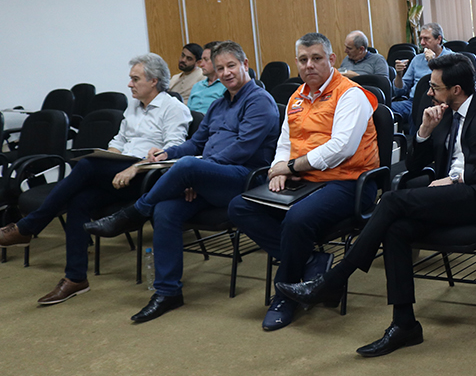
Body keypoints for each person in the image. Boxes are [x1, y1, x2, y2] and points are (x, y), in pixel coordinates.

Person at [274, 53, 476, 357]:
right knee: (397, 229)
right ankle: (404, 324)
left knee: (390, 201)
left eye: (435, 87)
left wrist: (458, 178)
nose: (429, 93)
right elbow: (415, 166)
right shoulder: (442, 113)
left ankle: (333, 280)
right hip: (447, 199)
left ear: (456, 89)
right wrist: (424, 131)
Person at [84, 41, 279, 323]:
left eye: (231, 66)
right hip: (210, 176)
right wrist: (169, 153)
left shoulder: (260, 101)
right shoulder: (220, 104)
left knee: (188, 167)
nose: (225, 73)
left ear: (245, 64)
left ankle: (134, 213)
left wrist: (197, 172)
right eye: (220, 67)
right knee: (166, 211)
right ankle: (168, 292)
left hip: (243, 180)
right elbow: (196, 142)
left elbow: (242, 150)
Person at [0, 54, 190, 305]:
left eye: (135, 79)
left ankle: (28, 227)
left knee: (88, 164)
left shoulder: (174, 109)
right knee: (79, 200)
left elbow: (173, 153)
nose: (129, 85)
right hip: (119, 173)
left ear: (154, 81)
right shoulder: (133, 106)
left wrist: (134, 168)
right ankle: (76, 278)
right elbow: (119, 142)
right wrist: (110, 158)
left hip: (148, 179)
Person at [228, 32, 381, 331]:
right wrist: (278, 168)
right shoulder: (297, 97)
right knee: (239, 207)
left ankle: (285, 293)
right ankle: (312, 262)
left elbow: (341, 148)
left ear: (332, 60)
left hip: (349, 183)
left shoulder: (351, 94)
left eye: (316, 58)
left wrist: (291, 166)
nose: (309, 65)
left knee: (296, 219)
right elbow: (284, 142)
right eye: (303, 59)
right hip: (305, 180)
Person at [390, 22, 452, 124]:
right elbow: (400, 91)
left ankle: (417, 138)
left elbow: (448, 84)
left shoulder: (451, 58)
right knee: (383, 109)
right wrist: (399, 75)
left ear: (439, 39)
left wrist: (433, 62)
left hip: (438, 102)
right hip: (413, 102)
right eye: (421, 39)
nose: (422, 43)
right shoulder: (417, 59)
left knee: (419, 113)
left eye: (426, 39)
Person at [188, 42, 226, 114]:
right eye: (202, 60)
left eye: (206, 60)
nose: (201, 64)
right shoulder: (196, 86)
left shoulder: (226, 86)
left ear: (218, 61)